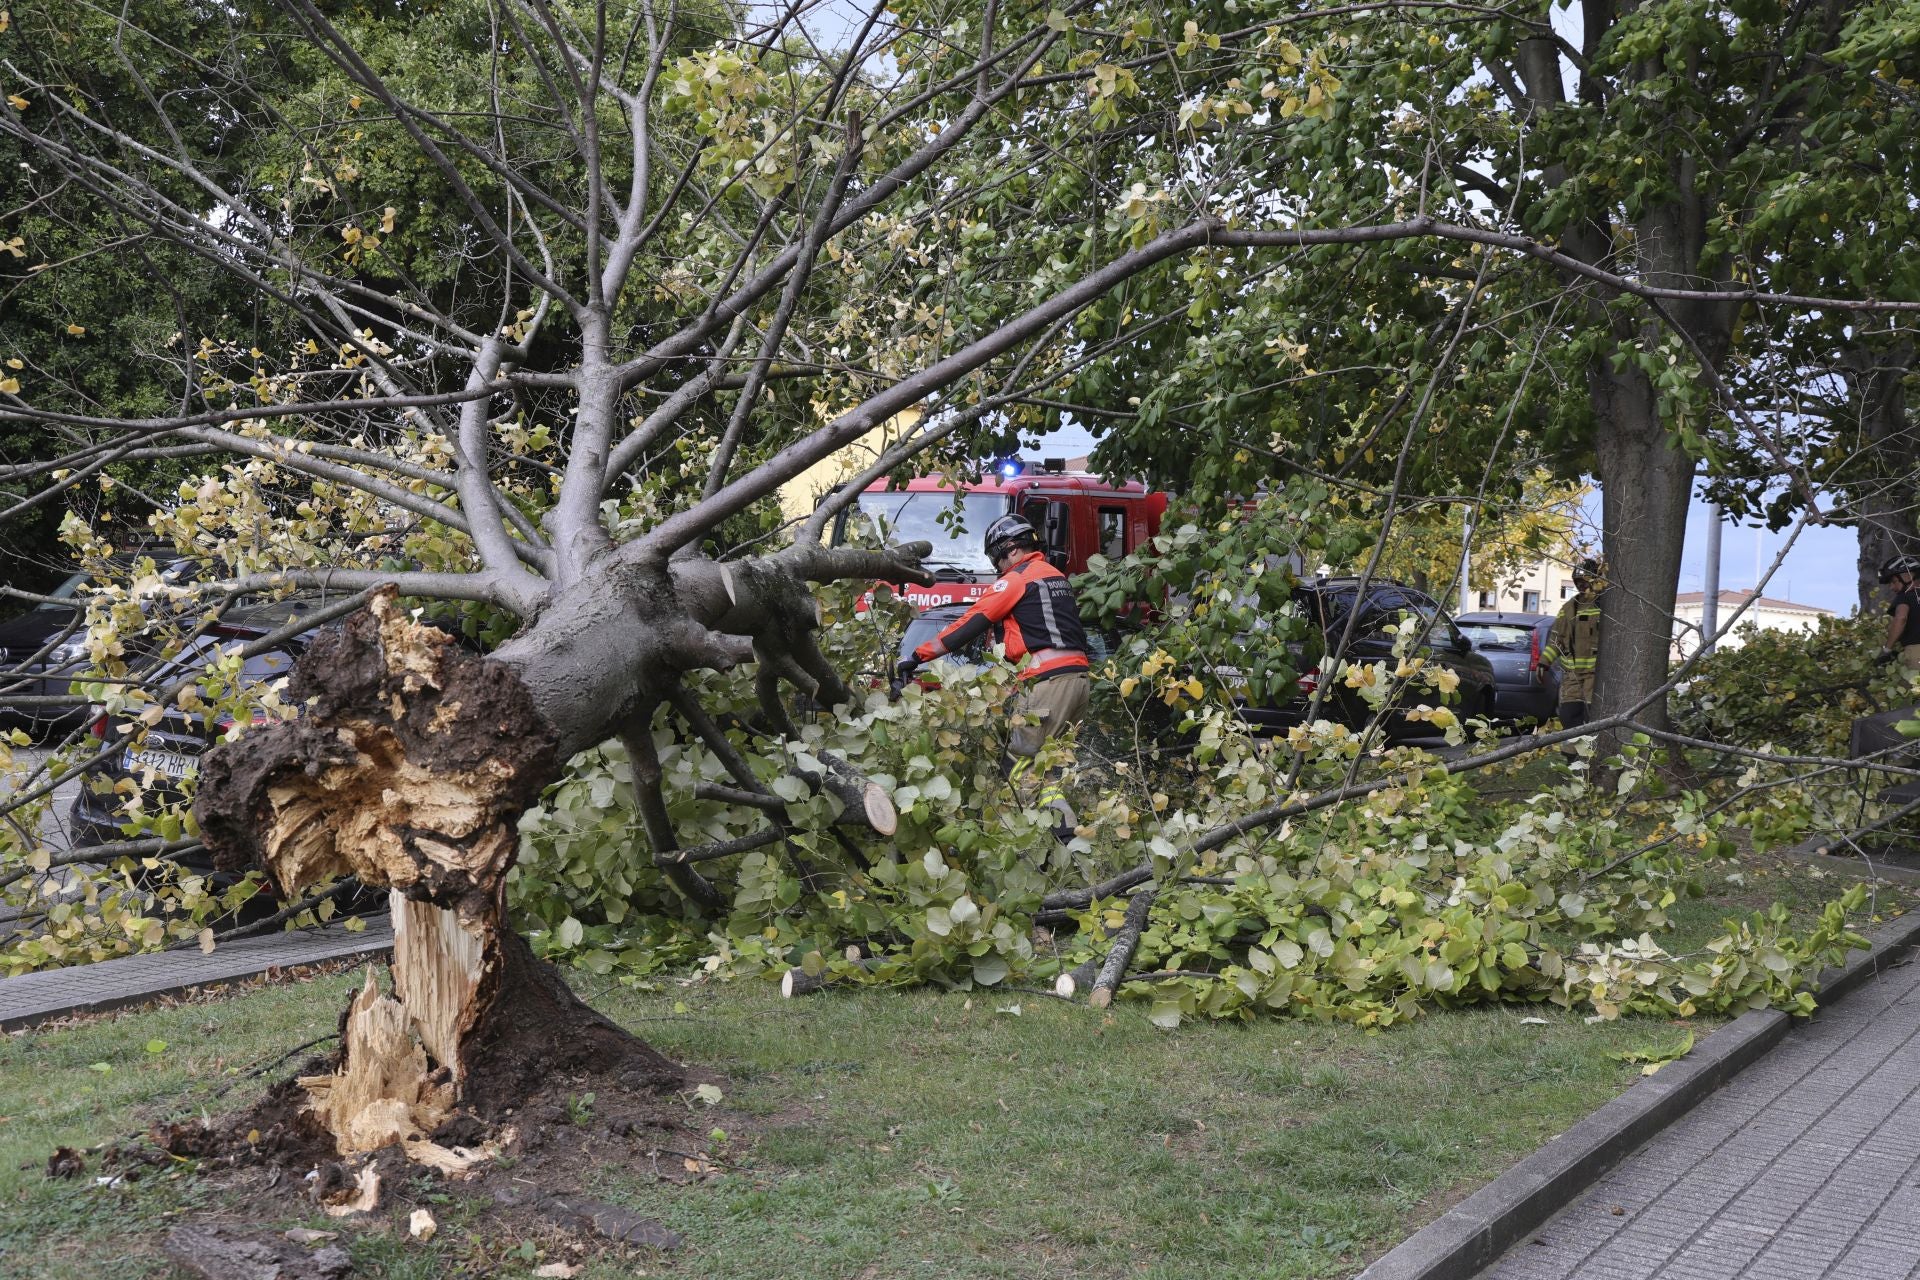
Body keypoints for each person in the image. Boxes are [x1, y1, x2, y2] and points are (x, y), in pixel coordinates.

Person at [898, 513, 1090, 834]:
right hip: (1079, 682)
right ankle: (1064, 848)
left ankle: (1062, 847)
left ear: (1011, 549)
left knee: (1019, 770)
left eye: (996, 558)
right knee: (1048, 775)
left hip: (1047, 682)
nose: (997, 566)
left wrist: (917, 655)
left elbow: (970, 622)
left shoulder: (1016, 579)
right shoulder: (1055, 576)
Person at [1540, 557, 1603, 730]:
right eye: (1578, 581)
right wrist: (1544, 662)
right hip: (1572, 676)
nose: (1581, 585)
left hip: (1595, 675)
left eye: (1585, 580)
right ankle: (1570, 756)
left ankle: (1589, 755)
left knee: (1592, 718)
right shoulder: (1568, 608)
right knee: (1568, 716)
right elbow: (1557, 640)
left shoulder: (1605, 606)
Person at [1877, 554, 1920, 670]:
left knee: (1910, 686)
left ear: (1908, 576)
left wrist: (1887, 650)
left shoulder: (1905, 596)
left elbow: (1901, 618)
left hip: (1916, 652)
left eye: (1894, 581)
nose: (1891, 587)